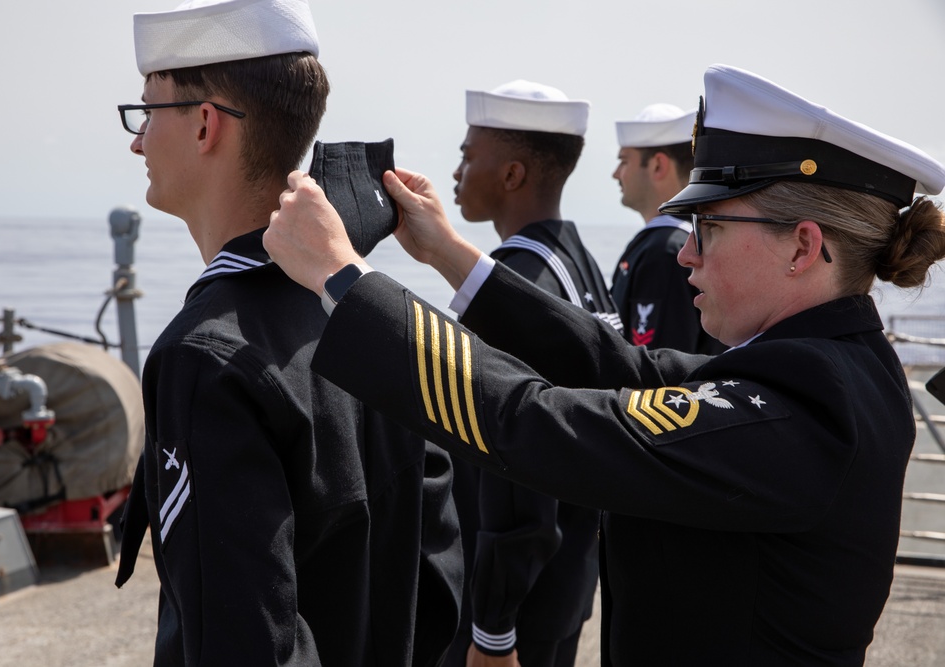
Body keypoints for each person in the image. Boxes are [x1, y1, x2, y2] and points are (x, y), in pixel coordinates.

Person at [262, 63, 945, 666]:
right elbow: (620, 367)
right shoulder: (833, 367)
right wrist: (447, 252)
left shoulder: (809, 409)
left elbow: (531, 424)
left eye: (708, 228)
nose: (685, 254)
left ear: (802, 246)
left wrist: (343, 281)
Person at [111, 1, 463, 664]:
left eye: (146, 112)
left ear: (205, 126)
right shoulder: (384, 319)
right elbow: (439, 581)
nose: (136, 140)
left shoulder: (206, 356)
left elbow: (241, 639)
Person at [445, 80, 616, 666]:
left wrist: (493, 629)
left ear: (513, 175)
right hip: (566, 576)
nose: (457, 171)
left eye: (468, 156)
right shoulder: (578, 261)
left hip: (514, 603)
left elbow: (517, 467)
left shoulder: (516, 286)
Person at [611, 103, 725, 354]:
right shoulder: (699, 236)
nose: (616, 173)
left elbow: (657, 368)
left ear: (657, 166)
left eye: (624, 161)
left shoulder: (663, 250)